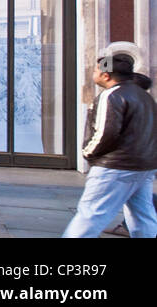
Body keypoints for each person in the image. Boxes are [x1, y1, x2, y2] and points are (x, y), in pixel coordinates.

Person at [63, 51, 157, 238]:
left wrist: (88, 153)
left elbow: (106, 132)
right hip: (144, 166)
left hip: (115, 166)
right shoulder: (144, 96)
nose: (94, 73)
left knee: (90, 215)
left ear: (106, 75)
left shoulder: (112, 95)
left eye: (96, 70)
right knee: (142, 216)